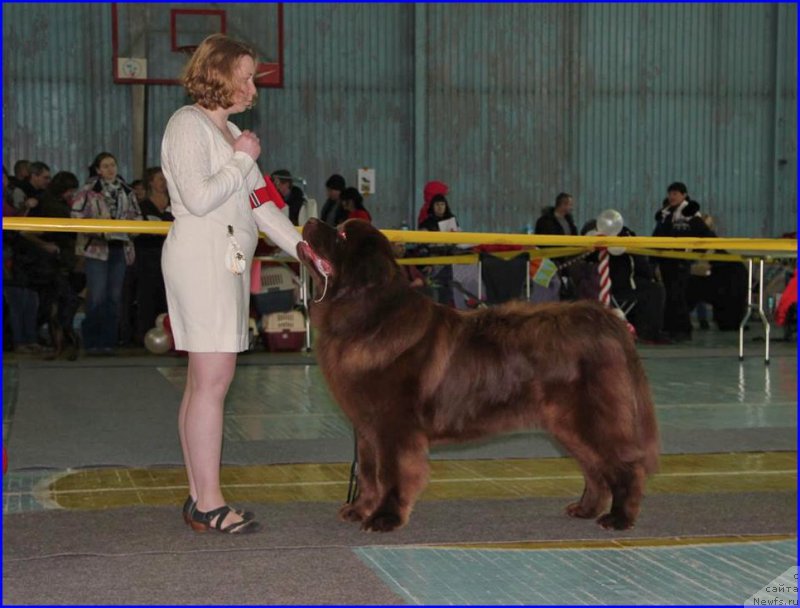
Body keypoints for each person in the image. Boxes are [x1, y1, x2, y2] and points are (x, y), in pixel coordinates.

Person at [160, 33, 303, 534]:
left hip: (226, 259)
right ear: (218, 73)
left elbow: (263, 207)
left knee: (205, 382)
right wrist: (242, 157)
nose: (252, 88)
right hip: (201, 257)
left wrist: (305, 249)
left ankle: (201, 496)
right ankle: (209, 501)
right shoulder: (187, 125)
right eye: (245, 76)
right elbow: (199, 199)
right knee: (214, 383)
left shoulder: (231, 132)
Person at [71, 152, 142, 355]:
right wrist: (96, 228)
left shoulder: (127, 191)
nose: (111, 169)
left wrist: (131, 228)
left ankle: (108, 341)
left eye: (113, 164)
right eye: (106, 165)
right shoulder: (88, 191)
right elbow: (75, 216)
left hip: (120, 247)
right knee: (97, 296)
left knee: (114, 297)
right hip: (97, 248)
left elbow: (137, 216)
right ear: (98, 170)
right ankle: (92, 340)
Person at [29, 171, 83, 359]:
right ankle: (65, 344)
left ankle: (60, 346)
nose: (72, 194)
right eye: (71, 190)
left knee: (56, 306)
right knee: (61, 304)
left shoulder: (49, 201)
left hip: (55, 261)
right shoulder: (54, 205)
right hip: (53, 262)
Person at [652, 181, 715, 341]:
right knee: (668, 294)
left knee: (678, 295)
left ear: (684, 195)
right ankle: (669, 328)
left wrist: (694, 253)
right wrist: (653, 259)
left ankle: (682, 330)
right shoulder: (665, 215)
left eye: (675, 193)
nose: (672, 197)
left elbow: (707, 235)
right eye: (670, 193)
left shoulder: (691, 215)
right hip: (665, 261)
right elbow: (656, 237)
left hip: (680, 261)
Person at [134, 167, 174, 344]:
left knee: (168, 295)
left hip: (170, 254)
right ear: (150, 181)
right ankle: (144, 334)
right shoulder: (142, 205)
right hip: (147, 255)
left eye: (165, 178)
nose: (163, 182)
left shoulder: (174, 203)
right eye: (159, 178)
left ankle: (171, 335)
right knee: (147, 295)